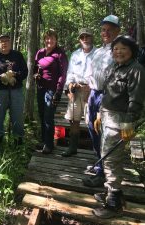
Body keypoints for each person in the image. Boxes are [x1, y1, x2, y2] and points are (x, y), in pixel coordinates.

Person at [92, 35, 145, 218]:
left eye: (123, 48)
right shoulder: (114, 67)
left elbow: (136, 99)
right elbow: (106, 92)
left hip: (120, 120)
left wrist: (129, 123)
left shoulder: (136, 70)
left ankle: (114, 203)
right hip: (107, 117)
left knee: (111, 159)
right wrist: (99, 113)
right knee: (106, 156)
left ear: (132, 50)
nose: (119, 52)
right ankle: (114, 193)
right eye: (115, 49)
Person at [82, 15, 121, 187]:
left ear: (117, 31)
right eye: (104, 29)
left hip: (108, 96)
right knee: (93, 131)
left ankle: (103, 174)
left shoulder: (119, 51)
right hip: (94, 95)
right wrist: (88, 94)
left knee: (105, 134)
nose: (106, 33)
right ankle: (100, 164)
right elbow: (90, 74)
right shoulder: (98, 51)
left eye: (110, 30)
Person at [0, 34, 28, 153]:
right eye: (1, 41)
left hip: (16, 91)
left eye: (6, 41)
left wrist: (15, 75)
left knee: (17, 117)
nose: (4, 43)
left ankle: (18, 145)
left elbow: (25, 72)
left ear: (10, 43)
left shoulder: (17, 55)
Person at [61, 28, 96, 157]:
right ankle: (72, 147)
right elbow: (70, 72)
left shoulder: (98, 53)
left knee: (92, 121)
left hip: (90, 91)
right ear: (79, 40)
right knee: (73, 120)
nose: (85, 39)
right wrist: (68, 88)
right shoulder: (75, 54)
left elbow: (100, 74)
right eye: (82, 37)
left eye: (87, 36)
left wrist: (92, 87)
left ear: (92, 37)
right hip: (75, 89)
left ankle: (96, 151)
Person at [34, 29, 68, 154]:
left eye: (52, 38)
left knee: (48, 117)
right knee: (42, 115)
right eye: (47, 38)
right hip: (40, 88)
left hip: (52, 89)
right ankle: (44, 141)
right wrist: (35, 75)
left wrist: (58, 91)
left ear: (56, 40)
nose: (50, 41)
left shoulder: (60, 54)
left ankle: (49, 144)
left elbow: (63, 74)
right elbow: (35, 67)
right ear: (44, 39)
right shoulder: (40, 52)